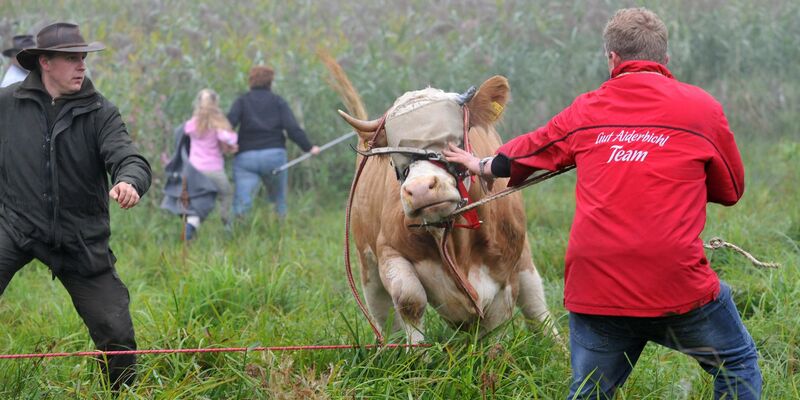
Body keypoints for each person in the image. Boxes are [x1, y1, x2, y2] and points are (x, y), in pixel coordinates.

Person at [443, 7, 760, 400]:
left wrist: (480, 164)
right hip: (677, 284)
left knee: (590, 392)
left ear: (612, 58)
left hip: (598, 286)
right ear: (665, 58)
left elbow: (525, 153)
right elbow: (731, 190)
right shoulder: (703, 109)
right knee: (738, 362)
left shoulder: (587, 109)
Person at [0, 23, 151, 390]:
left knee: (115, 332)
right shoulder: (6, 105)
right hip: (15, 225)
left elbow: (128, 156)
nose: (81, 66)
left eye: (83, 58)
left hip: (79, 235)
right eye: (71, 59)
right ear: (45, 62)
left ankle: (123, 394)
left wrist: (129, 180)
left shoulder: (100, 112)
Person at [227, 65, 320, 219]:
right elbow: (292, 128)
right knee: (278, 200)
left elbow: (228, 125)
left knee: (242, 202)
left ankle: (237, 232)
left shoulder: (242, 101)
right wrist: (309, 147)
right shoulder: (278, 101)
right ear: (271, 82)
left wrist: (228, 145)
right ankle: (279, 230)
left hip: (246, 157)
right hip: (274, 156)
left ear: (251, 81)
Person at [180, 88, 238, 239]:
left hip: (194, 170)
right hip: (213, 169)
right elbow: (229, 138)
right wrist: (231, 141)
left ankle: (190, 227)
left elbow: (184, 131)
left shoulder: (192, 124)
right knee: (226, 194)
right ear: (215, 103)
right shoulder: (216, 124)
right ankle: (227, 222)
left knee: (199, 201)